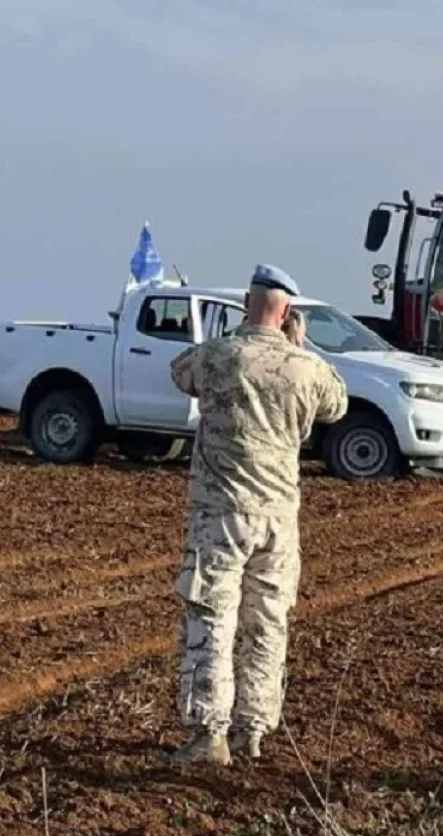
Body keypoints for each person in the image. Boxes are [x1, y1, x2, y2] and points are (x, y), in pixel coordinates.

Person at [166, 264, 348, 766]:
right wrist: (300, 348)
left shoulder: (220, 356)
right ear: (289, 312)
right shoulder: (305, 368)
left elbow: (180, 372)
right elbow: (336, 405)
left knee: (212, 617)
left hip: (221, 513)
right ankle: (254, 729)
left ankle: (209, 734)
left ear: (248, 302)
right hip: (278, 520)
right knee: (267, 624)